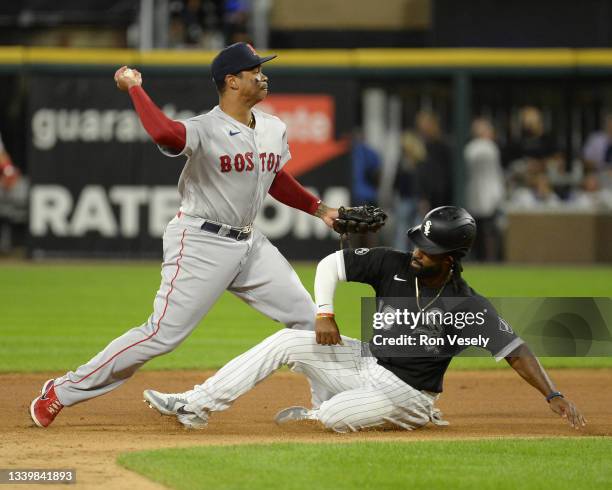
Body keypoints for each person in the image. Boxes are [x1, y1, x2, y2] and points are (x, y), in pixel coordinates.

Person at [29, 42, 341, 428]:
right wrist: (135, 89)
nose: (262, 75)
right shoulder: (205, 128)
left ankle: (328, 406)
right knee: (161, 335)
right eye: (254, 70)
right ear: (232, 82)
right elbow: (165, 135)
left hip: (249, 243)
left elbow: (276, 178)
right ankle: (62, 390)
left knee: (310, 319)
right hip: (201, 241)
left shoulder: (273, 128)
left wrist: (322, 210)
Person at [142, 206, 586, 432]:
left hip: (409, 393)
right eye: (417, 243)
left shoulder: (467, 305)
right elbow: (329, 267)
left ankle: (406, 417)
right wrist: (324, 313)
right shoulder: (393, 262)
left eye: (427, 251)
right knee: (287, 341)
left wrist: (553, 393)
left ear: (450, 259)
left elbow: (516, 350)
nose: (416, 252)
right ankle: (195, 405)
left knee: (334, 419)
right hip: (365, 363)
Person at [464, 118, 505, 261]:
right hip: (489, 193)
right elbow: (495, 174)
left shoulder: (470, 148)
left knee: (478, 229)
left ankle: (479, 257)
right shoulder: (489, 147)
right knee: (489, 229)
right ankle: (490, 258)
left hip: (475, 193)